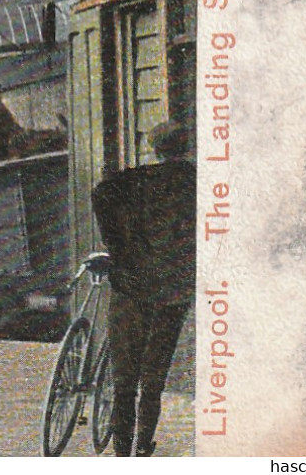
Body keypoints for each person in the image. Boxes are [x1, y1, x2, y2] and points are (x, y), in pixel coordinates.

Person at [91, 121, 195, 457]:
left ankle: (122, 452)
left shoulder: (135, 179)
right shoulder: (197, 183)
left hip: (132, 286)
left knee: (124, 382)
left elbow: (100, 194)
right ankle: (143, 447)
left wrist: (119, 250)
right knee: (153, 380)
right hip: (173, 290)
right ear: (186, 147)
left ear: (155, 148)